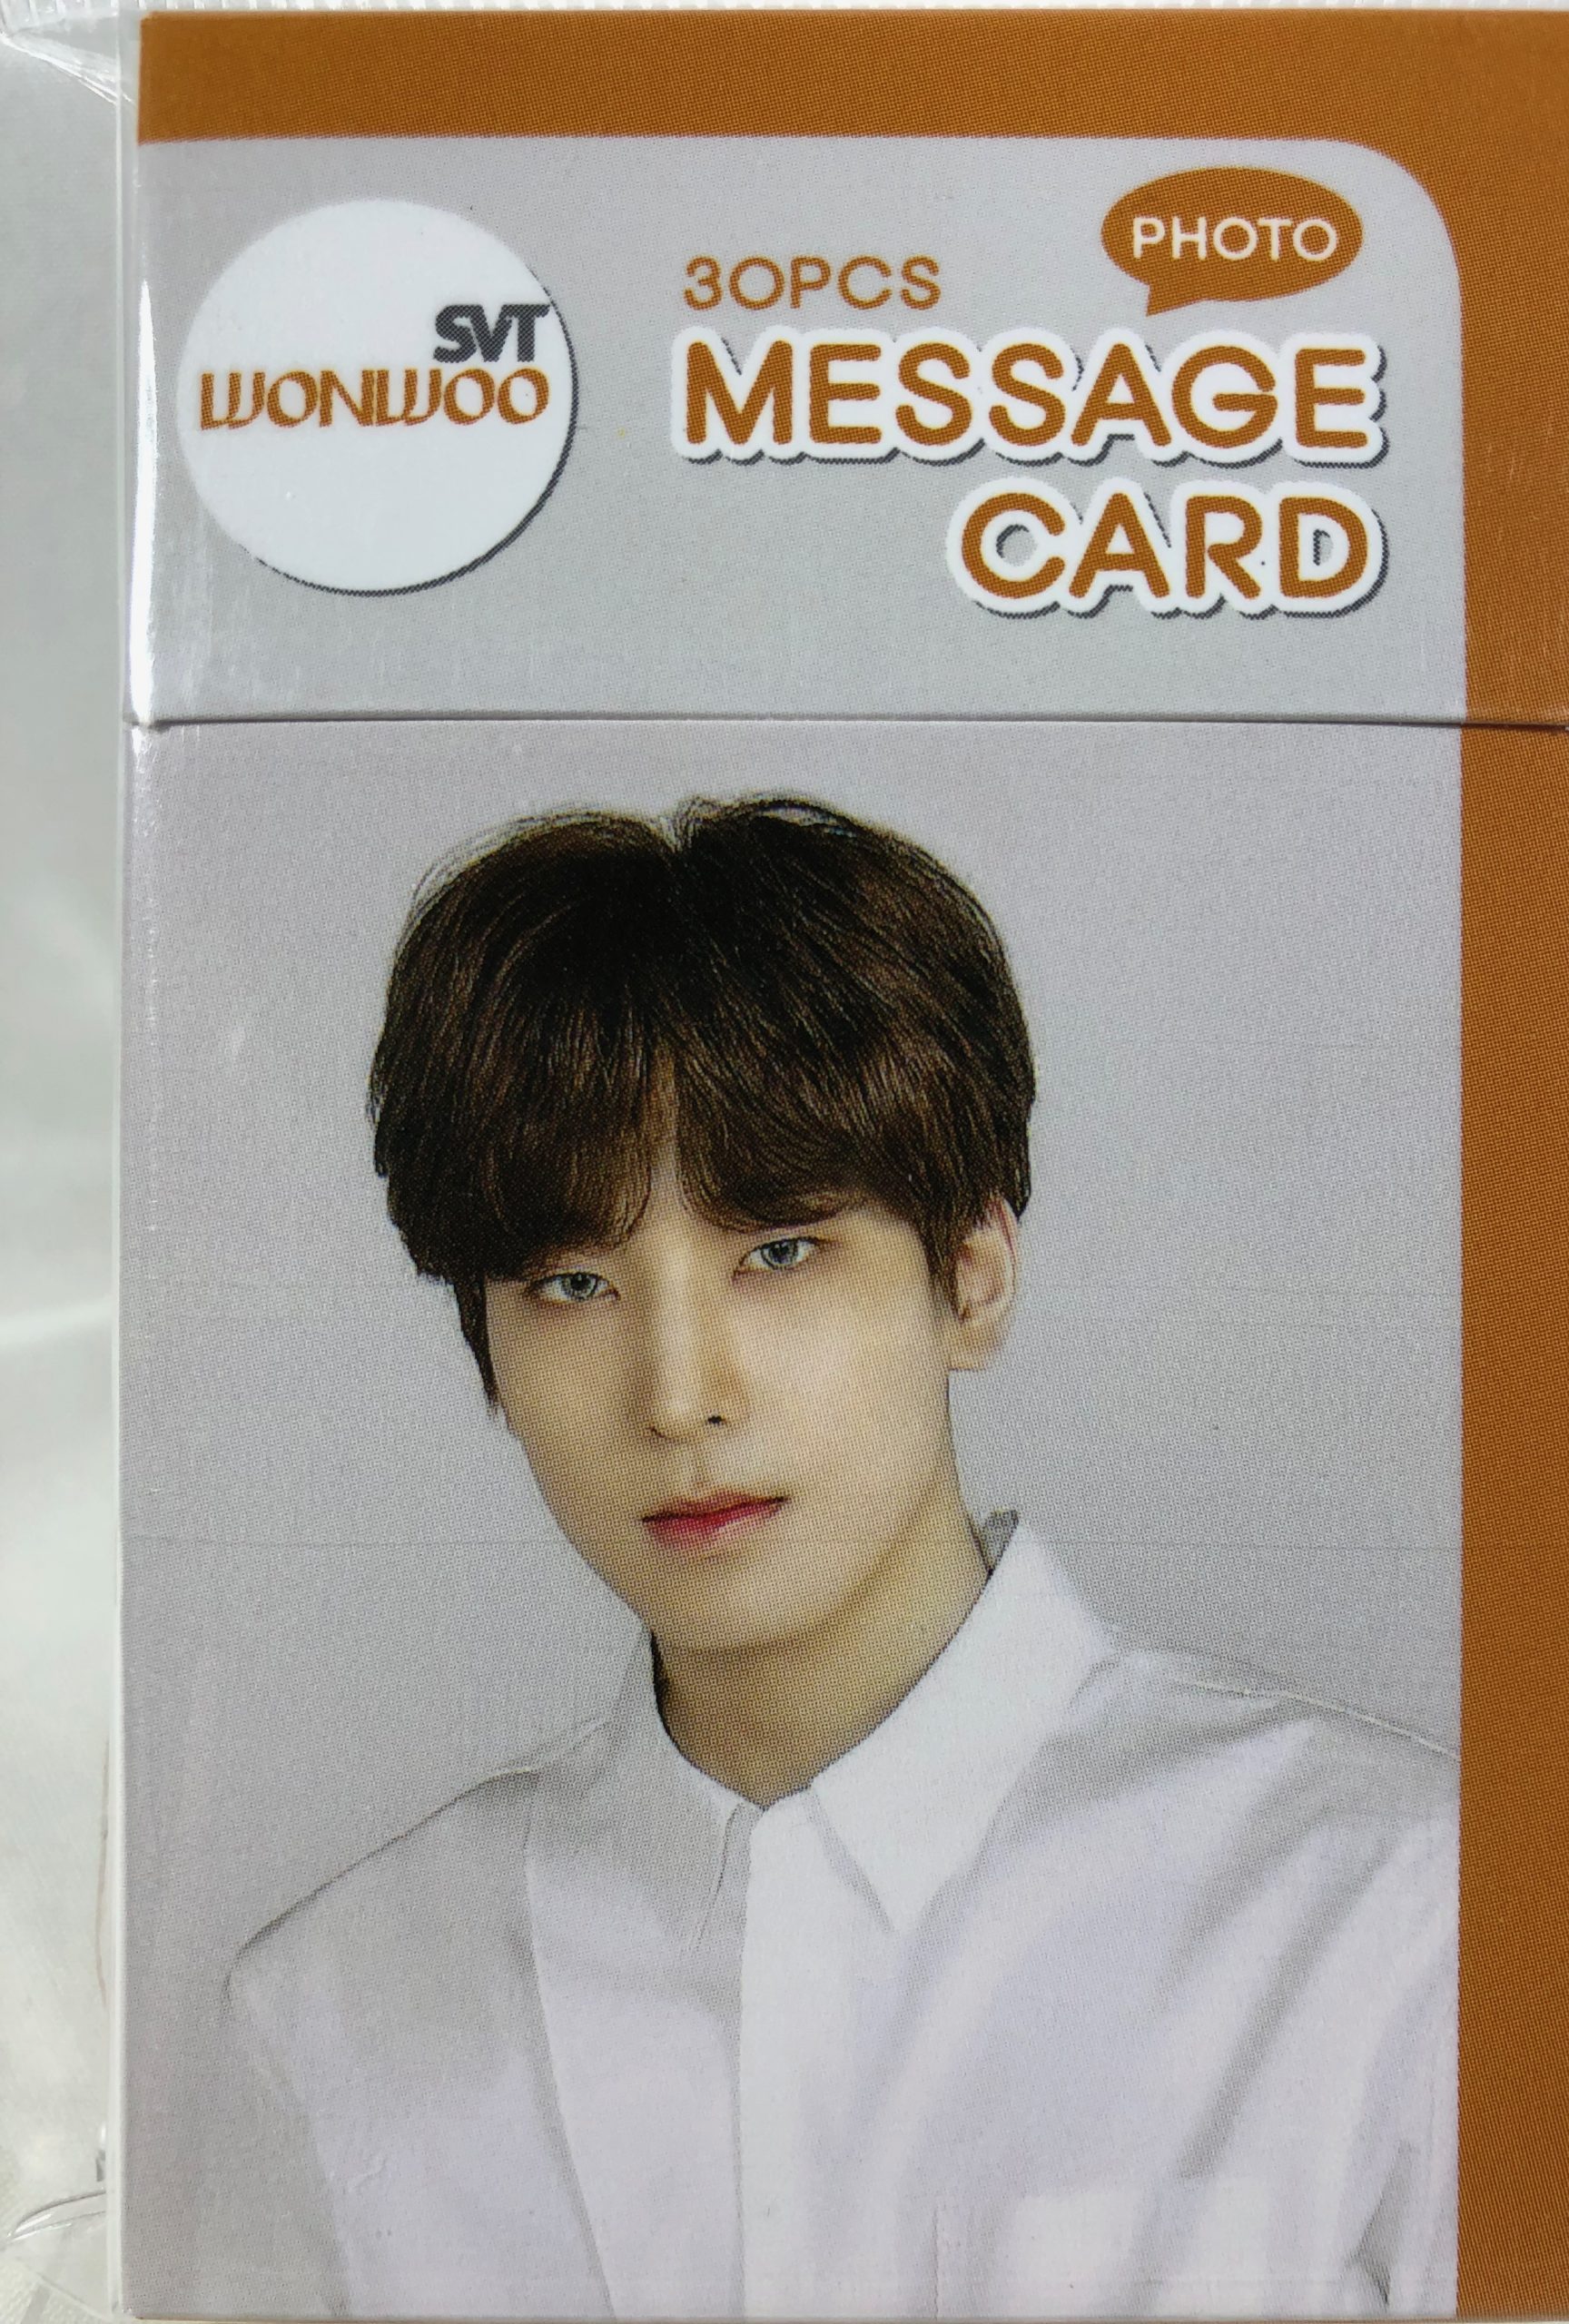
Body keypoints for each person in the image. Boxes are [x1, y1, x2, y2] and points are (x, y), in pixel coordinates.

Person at [225, 795, 1456, 2320]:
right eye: (572, 1282)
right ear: (485, 1349)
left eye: (779, 1251)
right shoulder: (337, 2012)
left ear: (971, 1277)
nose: (680, 1395)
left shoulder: (1396, 1916)